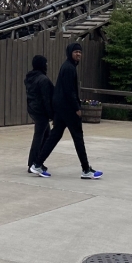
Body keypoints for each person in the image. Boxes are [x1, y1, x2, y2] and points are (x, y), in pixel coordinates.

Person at [31, 43, 103, 179]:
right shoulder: (69, 68)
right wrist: (77, 108)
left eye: (80, 52)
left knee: (54, 137)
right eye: (76, 52)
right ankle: (86, 170)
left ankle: (37, 164)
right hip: (68, 109)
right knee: (78, 138)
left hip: (61, 109)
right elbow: (69, 91)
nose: (78, 54)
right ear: (70, 53)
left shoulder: (68, 66)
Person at [24, 55, 54, 175]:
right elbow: (46, 99)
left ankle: (38, 161)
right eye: (45, 63)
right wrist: (51, 114)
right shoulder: (43, 80)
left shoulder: (30, 77)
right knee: (39, 136)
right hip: (41, 112)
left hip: (32, 109)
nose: (47, 65)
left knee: (47, 135)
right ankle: (33, 163)